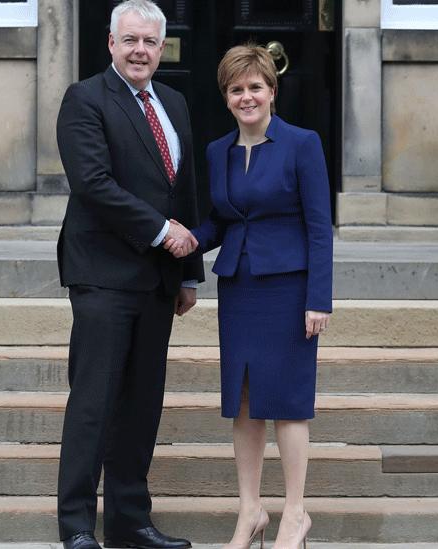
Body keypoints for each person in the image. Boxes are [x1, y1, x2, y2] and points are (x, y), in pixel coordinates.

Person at [164, 44, 332, 549]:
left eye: (255, 87)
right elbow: (222, 220)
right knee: (243, 403)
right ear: (227, 97)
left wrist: (318, 299)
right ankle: (250, 511)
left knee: (288, 403)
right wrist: (192, 238)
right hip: (239, 288)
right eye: (236, 89)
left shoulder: (302, 144)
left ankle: (295, 514)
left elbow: (319, 227)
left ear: (272, 92)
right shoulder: (218, 151)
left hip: (289, 288)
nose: (246, 97)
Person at [54, 1, 204, 548]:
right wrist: (164, 232)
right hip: (102, 275)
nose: (140, 50)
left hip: (158, 281)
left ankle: (128, 520)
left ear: (162, 48)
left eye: (150, 42)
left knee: (142, 406)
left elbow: (182, 188)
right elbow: (93, 183)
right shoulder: (85, 99)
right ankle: (75, 526)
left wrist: (188, 273)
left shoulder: (175, 103)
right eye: (130, 40)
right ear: (112, 44)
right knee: (94, 402)